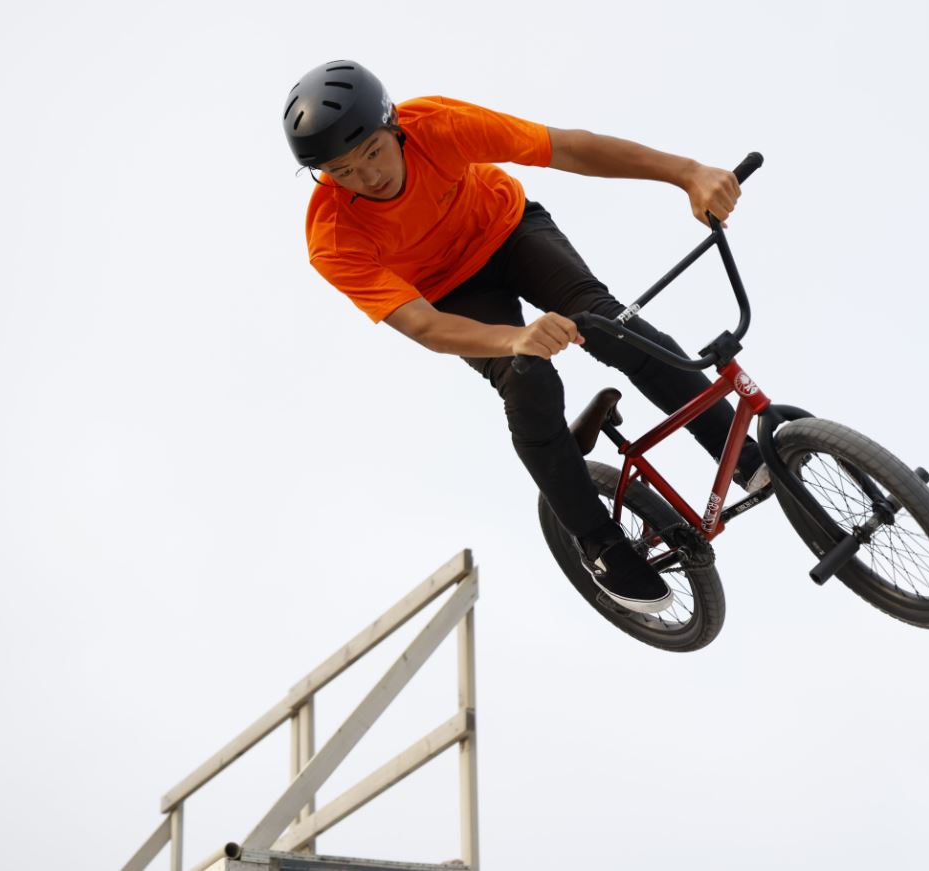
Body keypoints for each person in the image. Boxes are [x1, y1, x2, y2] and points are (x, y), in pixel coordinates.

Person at [283, 60, 769, 613]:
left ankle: (741, 452)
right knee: (526, 381)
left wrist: (686, 172)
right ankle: (599, 544)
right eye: (342, 171)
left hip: (510, 229)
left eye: (372, 152)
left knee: (610, 325)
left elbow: (569, 148)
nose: (367, 178)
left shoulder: (436, 126)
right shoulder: (332, 237)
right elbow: (421, 323)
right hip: (451, 294)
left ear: (393, 125)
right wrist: (513, 341)